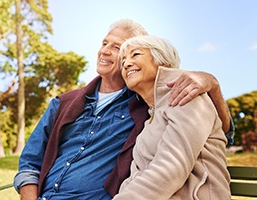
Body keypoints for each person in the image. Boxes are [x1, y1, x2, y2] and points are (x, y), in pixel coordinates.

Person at [13, 19, 233, 200]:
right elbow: (30, 163)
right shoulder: (64, 103)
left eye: (120, 48)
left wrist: (212, 85)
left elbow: (221, 133)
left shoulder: (146, 105)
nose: (106, 51)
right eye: (105, 43)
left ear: (159, 61)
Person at [113, 35, 231, 199]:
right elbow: (136, 176)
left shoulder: (187, 96)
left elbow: (170, 169)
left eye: (136, 54)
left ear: (163, 61)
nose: (126, 64)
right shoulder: (149, 119)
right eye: (123, 61)